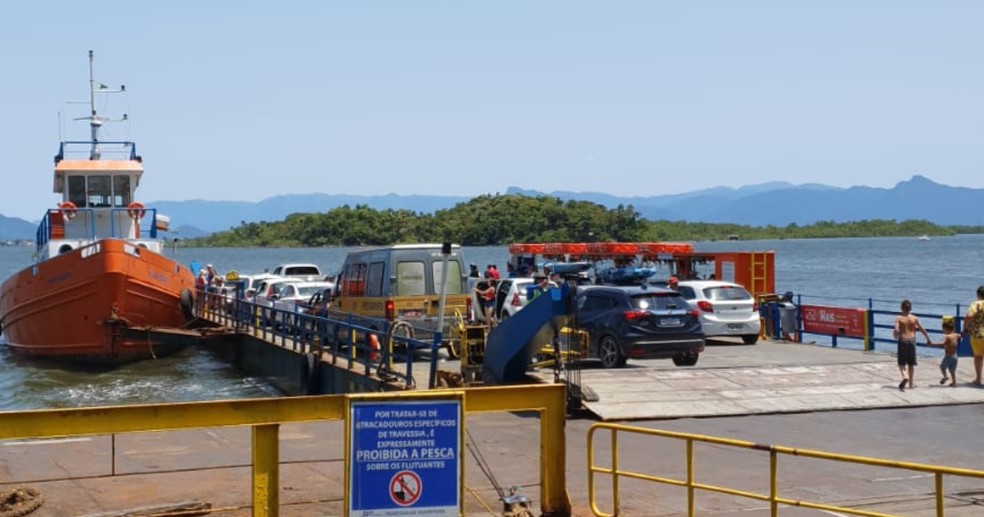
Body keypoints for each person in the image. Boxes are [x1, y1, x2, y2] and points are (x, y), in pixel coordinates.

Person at [893, 299, 930, 391]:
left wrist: (895, 335)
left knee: (901, 363)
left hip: (903, 340)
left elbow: (896, 330)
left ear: (901, 308)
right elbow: (922, 329)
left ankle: (905, 376)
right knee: (911, 363)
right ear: (910, 308)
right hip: (912, 340)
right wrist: (928, 339)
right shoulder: (914, 318)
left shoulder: (899, 318)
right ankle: (911, 383)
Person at [961, 285, 984, 386]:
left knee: (978, 357)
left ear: (978, 294)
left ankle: (978, 379)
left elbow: (969, 315)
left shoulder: (976, 304)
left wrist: (965, 326)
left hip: (978, 334)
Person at [928, 317, 960, 387]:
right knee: (952, 370)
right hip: (955, 356)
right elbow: (961, 335)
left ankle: (945, 376)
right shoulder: (956, 335)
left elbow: (943, 344)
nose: (943, 331)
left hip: (948, 356)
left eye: (944, 330)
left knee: (942, 367)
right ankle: (954, 382)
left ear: (947, 329)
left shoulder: (947, 337)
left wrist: (932, 344)